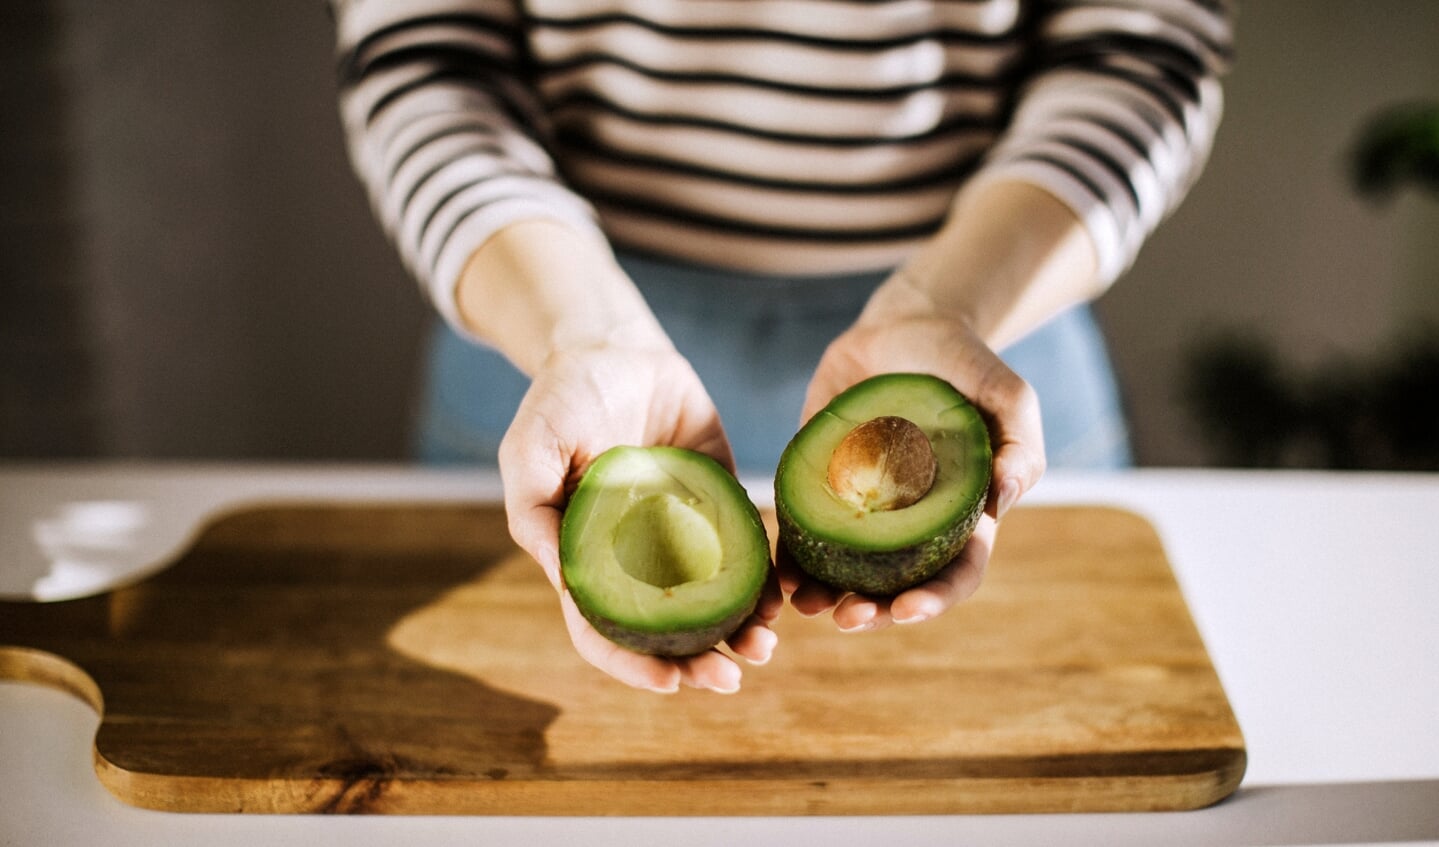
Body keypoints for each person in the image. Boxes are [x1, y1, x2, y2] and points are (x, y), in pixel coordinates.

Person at [329, 0, 1232, 693]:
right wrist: (583, 333)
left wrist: (944, 302)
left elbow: (1139, 52)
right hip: (550, 323)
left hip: (978, 306)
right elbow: (426, 60)